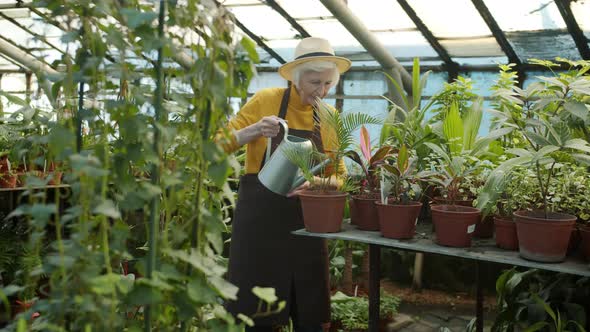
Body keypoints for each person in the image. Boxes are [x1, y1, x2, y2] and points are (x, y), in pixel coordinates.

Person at [218, 37, 351, 332]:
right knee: (255, 312)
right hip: (260, 221)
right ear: (296, 77)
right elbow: (218, 145)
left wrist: (317, 182)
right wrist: (253, 130)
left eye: (328, 84)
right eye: (315, 82)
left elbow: (340, 175)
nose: (322, 91)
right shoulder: (266, 101)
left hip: (306, 222)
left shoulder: (329, 117)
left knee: (310, 308)